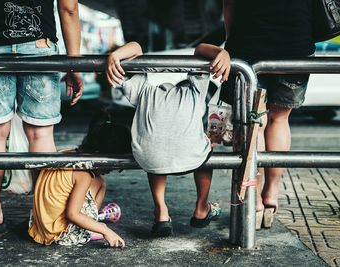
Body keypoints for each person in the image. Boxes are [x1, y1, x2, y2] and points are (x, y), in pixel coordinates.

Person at [0, 0, 84, 234]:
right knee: (40, 133)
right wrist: (75, 65)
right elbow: (68, 8)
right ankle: (44, 213)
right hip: (37, 45)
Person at [106, 41, 230, 236]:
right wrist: (222, 53)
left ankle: (161, 212)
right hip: (191, 156)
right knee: (208, 147)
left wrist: (115, 55)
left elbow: (137, 48)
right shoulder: (196, 90)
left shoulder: (142, 91)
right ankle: (201, 208)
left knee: (154, 145)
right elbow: (199, 50)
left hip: (149, 158)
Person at [222, 0, 315, 229]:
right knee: (280, 119)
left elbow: (229, 4)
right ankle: (271, 194)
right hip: (296, 42)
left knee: (256, 122)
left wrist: (230, 40)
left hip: (250, 41)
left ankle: (254, 200)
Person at [28, 119, 131, 247]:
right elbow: (72, 214)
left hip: (40, 227)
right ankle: (90, 227)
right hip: (60, 234)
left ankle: (91, 223)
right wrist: (106, 231)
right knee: (100, 183)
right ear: (99, 155)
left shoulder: (67, 153)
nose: (108, 172)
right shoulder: (83, 174)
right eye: (108, 168)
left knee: (98, 180)